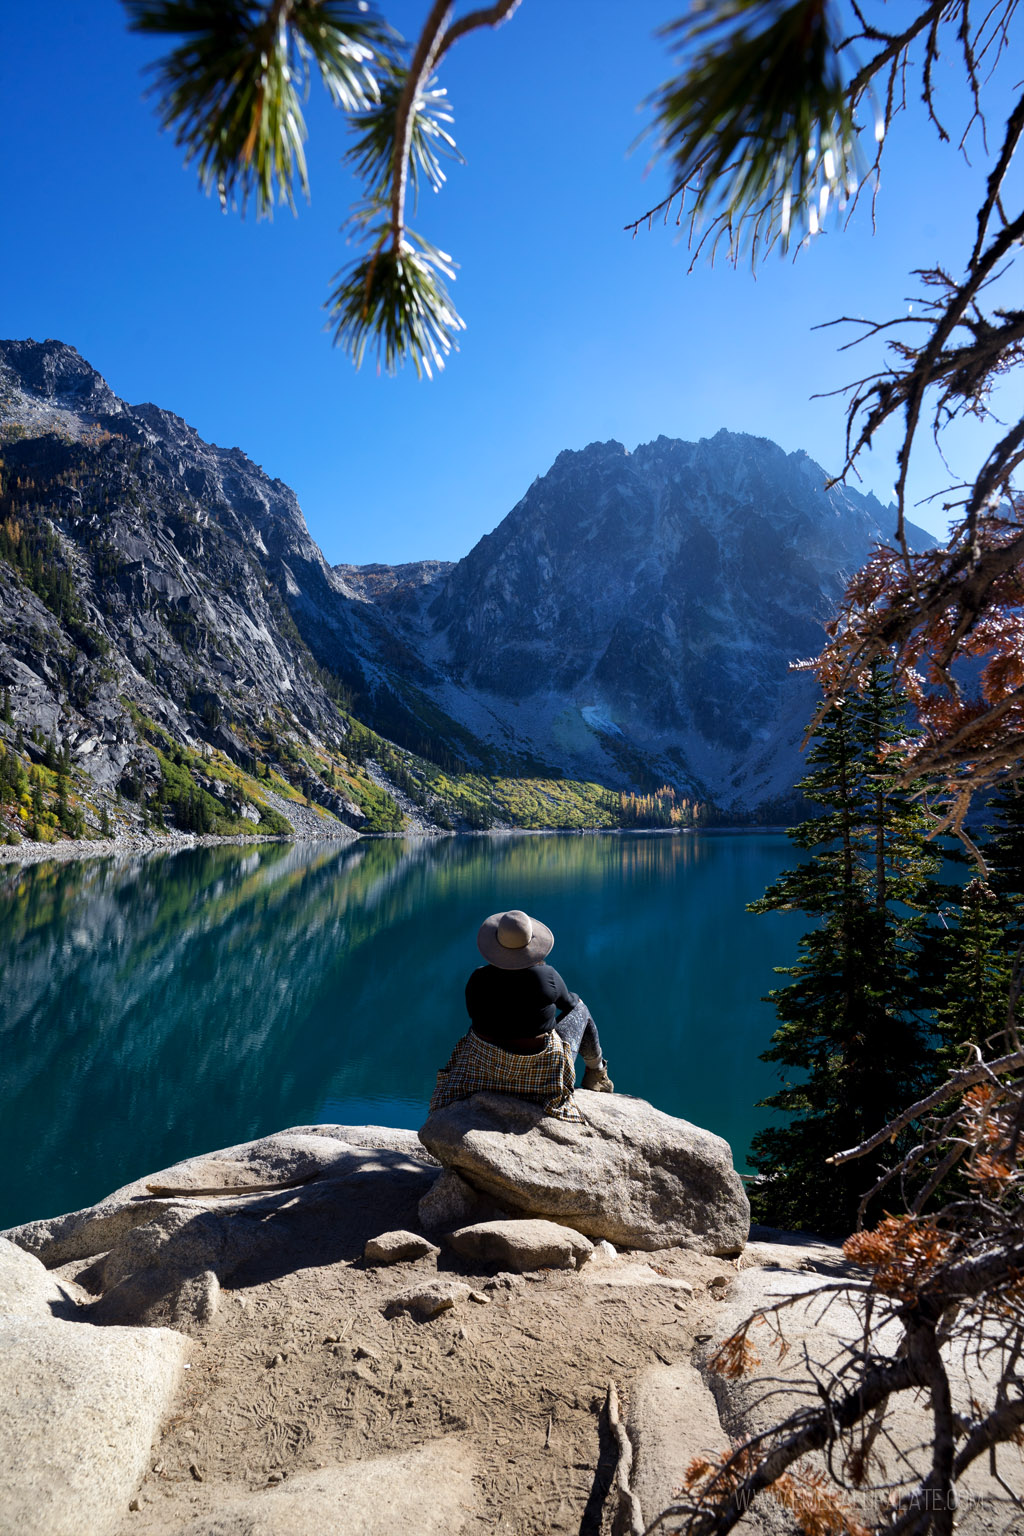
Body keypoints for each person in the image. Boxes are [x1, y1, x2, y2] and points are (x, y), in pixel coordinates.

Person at [429, 908, 613, 1123]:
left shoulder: (478, 978)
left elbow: (473, 1017)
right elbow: (571, 1005)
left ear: (496, 944)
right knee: (581, 1009)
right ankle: (597, 1073)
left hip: (486, 1070)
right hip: (539, 1075)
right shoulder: (547, 977)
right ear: (531, 944)